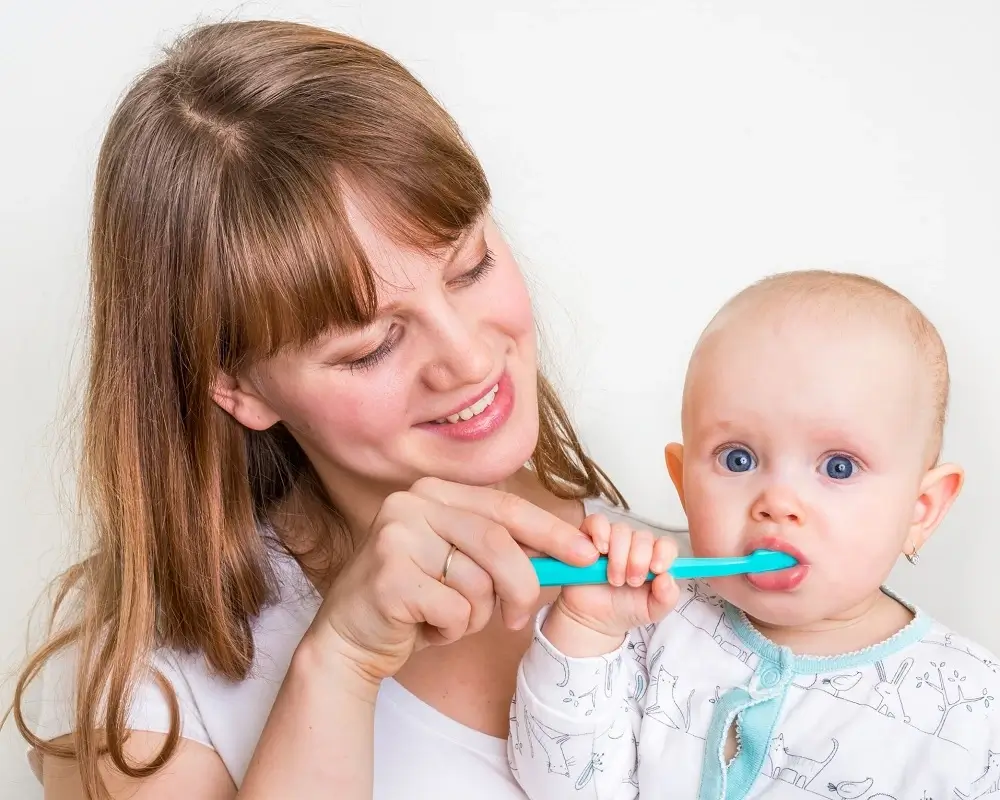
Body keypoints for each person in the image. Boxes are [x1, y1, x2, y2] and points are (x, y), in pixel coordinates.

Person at [6, 19, 689, 800]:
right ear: (238, 387)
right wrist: (340, 662)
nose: (468, 358)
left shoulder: (695, 578)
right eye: (370, 347)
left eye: (470, 268)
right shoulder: (149, 688)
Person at [508, 270, 1000, 799]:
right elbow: (561, 787)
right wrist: (585, 629)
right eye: (738, 459)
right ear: (684, 485)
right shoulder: (647, 618)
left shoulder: (973, 711)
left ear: (920, 510)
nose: (778, 503)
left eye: (838, 468)